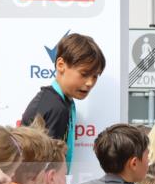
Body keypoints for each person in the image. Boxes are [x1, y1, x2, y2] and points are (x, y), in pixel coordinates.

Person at [20, 33, 105, 170]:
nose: (90, 82)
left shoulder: (61, 102)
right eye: (84, 74)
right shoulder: (56, 107)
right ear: (61, 65)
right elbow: (43, 166)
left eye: (95, 76)